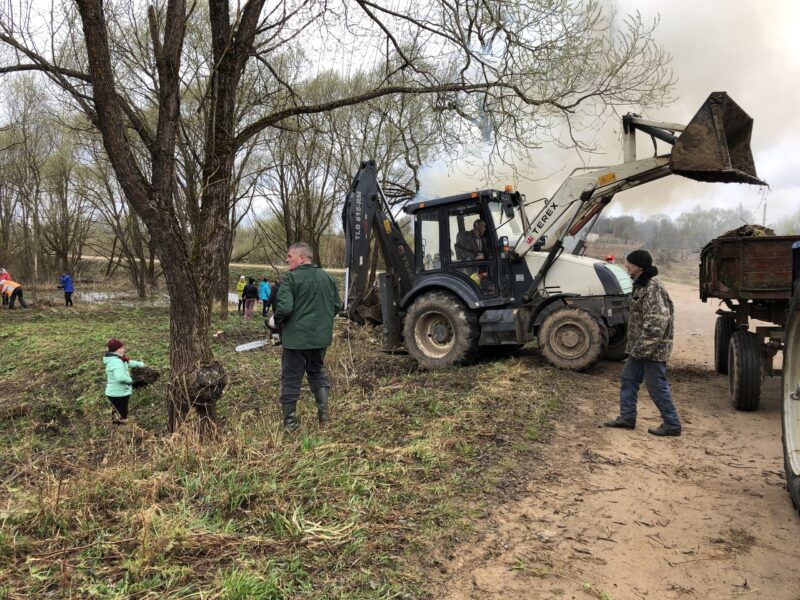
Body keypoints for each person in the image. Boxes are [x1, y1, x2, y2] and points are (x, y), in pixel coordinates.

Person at [604, 250, 682, 437]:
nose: (626, 266)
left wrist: (641, 349)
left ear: (639, 267)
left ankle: (672, 425)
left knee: (656, 386)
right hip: (641, 348)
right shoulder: (640, 285)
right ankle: (627, 418)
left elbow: (657, 322)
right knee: (628, 379)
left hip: (653, 349)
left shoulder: (652, 288)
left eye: (630, 263)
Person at [274, 243, 341, 432]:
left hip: (295, 341)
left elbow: (284, 309)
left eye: (290, 256)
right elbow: (337, 305)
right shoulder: (328, 277)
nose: (287, 260)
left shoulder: (291, 279)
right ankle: (324, 417)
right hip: (320, 339)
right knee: (317, 372)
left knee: (291, 378)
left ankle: (291, 424)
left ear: (302, 258)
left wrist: (277, 321)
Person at [103, 338, 146, 424]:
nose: (124, 349)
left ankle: (116, 429)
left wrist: (141, 365)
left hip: (116, 392)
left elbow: (129, 362)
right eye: (122, 348)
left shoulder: (117, 360)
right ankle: (120, 430)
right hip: (118, 393)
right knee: (121, 416)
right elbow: (120, 377)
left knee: (117, 413)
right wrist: (132, 381)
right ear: (116, 350)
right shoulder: (116, 362)